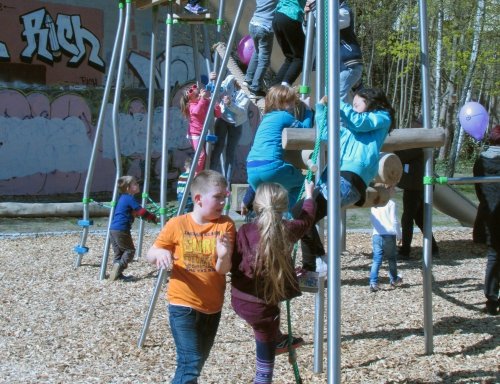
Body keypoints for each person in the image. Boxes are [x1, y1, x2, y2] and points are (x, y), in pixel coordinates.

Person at [146, 170, 236, 382]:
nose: (222, 202)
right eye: (217, 197)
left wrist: (223, 256)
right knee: (191, 362)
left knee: (195, 363)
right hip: (182, 305)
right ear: (198, 199)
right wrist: (161, 253)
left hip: (213, 307)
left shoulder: (225, 225)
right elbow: (151, 253)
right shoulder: (177, 224)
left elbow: (223, 270)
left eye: (224, 197)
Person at [296, 88, 395, 276]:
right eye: (352, 104)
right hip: (336, 179)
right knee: (300, 216)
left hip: (349, 180)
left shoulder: (382, 117)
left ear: (372, 102)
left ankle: (317, 261)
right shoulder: (349, 130)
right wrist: (321, 108)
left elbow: (359, 122)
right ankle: (313, 265)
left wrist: (335, 101)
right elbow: (324, 133)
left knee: (301, 215)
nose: (353, 107)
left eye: (357, 103)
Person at [231, 180, 316, 383]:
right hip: (263, 310)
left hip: (240, 300)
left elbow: (236, 262)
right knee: (264, 362)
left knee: (266, 316)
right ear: (284, 206)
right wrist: (310, 196)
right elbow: (307, 219)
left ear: (257, 205)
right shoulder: (288, 229)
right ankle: (265, 369)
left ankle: (276, 338)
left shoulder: (244, 231)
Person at [246, 85, 312, 208]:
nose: (293, 104)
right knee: (303, 183)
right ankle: (292, 218)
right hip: (271, 167)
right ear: (280, 103)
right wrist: (307, 110)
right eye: (290, 101)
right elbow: (305, 130)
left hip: (251, 169)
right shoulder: (284, 116)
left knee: (268, 204)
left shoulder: (265, 118)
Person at [305, 0, 363, 103]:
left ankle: (339, 118)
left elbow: (328, 24)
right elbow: (309, 33)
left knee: (335, 98)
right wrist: (307, 17)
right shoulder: (320, 13)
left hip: (347, 63)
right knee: (328, 98)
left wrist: (314, 7)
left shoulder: (345, 12)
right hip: (333, 66)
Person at [473, 124, 500, 316]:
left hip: (489, 213)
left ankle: (491, 300)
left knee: (494, 255)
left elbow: (478, 189)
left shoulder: (480, 160)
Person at [109, 176, 157, 282]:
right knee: (129, 251)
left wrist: (143, 217)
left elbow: (134, 213)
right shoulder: (129, 198)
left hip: (113, 229)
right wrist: (153, 218)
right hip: (122, 229)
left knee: (119, 253)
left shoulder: (122, 198)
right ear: (128, 188)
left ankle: (117, 275)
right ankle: (117, 270)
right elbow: (141, 211)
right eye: (135, 184)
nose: (138, 185)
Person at [394, 147, 439, 258]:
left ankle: (405, 251)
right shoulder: (425, 147)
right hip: (421, 186)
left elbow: (401, 156)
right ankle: (433, 248)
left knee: (408, 219)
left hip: (415, 187)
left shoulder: (418, 146)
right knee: (420, 219)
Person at [209, 73, 250, 185]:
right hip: (222, 119)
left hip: (236, 124)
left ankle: (227, 183)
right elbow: (217, 90)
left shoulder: (247, 90)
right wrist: (214, 80)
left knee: (230, 153)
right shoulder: (230, 78)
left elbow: (242, 110)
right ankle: (209, 180)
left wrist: (230, 104)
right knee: (218, 148)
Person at [180, 83, 220, 174]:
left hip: (204, 132)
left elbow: (218, 114)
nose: (200, 96)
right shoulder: (191, 106)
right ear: (190, 100)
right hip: (195, 135)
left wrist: (215, 104)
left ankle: (201, 172)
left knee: (207, 155)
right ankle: (196, 175)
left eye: (199, 94)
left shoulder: (203, 101)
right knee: (201, 155)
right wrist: (202, 98)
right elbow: (197, 111)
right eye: (197, 95)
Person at [369, 186, 403, 292]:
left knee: (377, 259)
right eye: (393, 189)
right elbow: (394, 221)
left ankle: (373, 282)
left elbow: (373, 220)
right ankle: (394, 279)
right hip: (389, 234)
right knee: (391, 258)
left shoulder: (374, 205)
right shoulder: (391, 203)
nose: (395, 191)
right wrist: (399, 235)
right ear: (387, 190)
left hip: (376, 235)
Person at [244, 0, 278, 99]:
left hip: (253, 24)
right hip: (264, 27)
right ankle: (255, 89)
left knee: (257, 52)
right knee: (264, 61)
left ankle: (248, 79)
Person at [272, 0, 308, 87]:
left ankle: (273, 91)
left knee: (290, 57)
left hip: (278, 16)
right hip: (290, 17)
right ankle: (283, 91)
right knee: (301, 57)